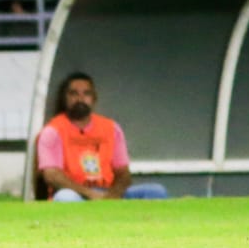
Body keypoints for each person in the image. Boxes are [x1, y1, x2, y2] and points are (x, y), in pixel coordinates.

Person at [36, 73, 170, 201]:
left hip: (108, 192)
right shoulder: (53, 131)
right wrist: (90, 194)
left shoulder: (111, 128)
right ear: (64, 99)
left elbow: (123, 173)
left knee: (156, 191)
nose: (80, 99)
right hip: (76, 193)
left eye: (86, 93)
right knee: (65, 198)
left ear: (94, 98)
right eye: (74, 94)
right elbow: (52, 176)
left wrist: (112, 196)